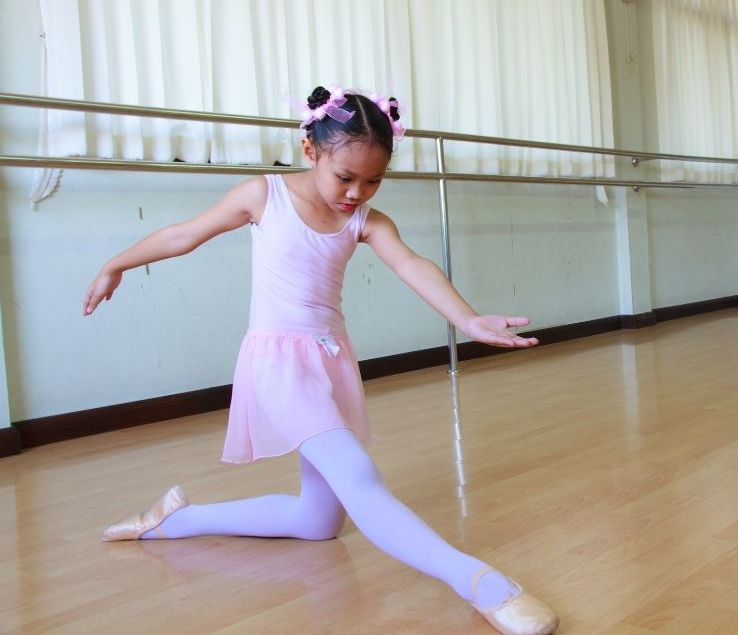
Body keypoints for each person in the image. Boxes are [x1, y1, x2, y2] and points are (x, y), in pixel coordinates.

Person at [83, 85, 559, 635]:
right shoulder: (264, 196)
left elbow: (412, 265)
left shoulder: (365, 221)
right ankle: (484, 585)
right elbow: (182, 235)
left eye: (373, 180)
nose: (357, 193)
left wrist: (467, 319)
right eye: (345, 178)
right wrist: (114, 264)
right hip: (278, 363)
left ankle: (175, 519)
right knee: (358, 475)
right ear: (310, 151)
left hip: (330, 362)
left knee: (319, 521)